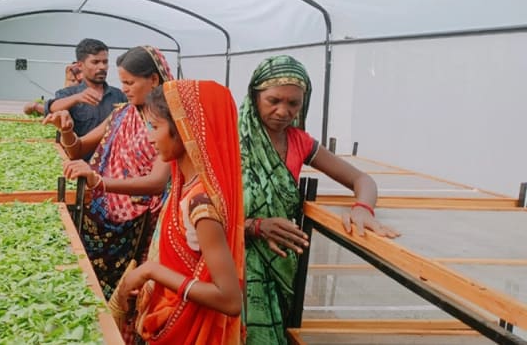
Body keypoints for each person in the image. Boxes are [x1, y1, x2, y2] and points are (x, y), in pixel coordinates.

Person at [239, 55, 400, 344]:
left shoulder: (300, 142)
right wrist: (254, 226)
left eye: (293, 103)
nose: (283, 111)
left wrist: (363, 209)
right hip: (233, 260)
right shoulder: (230, 137)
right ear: (254, 95)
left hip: (281, 260)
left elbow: (362, 180)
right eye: (273, 100)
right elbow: (200, 205)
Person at [113, 80, 245, 345]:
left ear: (185, 130)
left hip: (188, 332)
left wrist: (152, 271)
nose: (149, 137)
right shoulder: (183, 184)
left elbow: (230, 300)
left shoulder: (201, 206)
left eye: (155, 126)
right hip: (169, 319)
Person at [43, 46, 174, 303]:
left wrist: (100, 182)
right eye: (122, 82)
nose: (124, 88)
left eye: (129, 82)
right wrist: (66, 130)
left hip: (142, 224)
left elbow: (158, 182)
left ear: (154, 80)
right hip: (103, 219)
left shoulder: (169, 123)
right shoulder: (121, 113)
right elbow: (78, 148)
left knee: (131, 296)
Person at [46, 38, 127, 145]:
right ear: (80, 65)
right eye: (95, 62)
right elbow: (52, 108)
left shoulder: (119, 95)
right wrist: (77, 98)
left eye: (105, 62)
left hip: (111, 159)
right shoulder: (68, 94)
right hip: (79, 158)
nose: (102, 67)